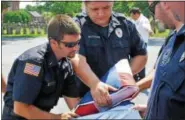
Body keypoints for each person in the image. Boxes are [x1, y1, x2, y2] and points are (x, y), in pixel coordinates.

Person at [2, 14, 116, 120]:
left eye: (78, 42)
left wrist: (102, 110)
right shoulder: (33, 63)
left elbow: (74, 103)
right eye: (70, 45)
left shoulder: (66, 63)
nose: (76, 48)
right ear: (54, 43)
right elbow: (21, 108)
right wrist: (57, 117)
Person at [73, 1, 147, 119]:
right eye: (95, 9)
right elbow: (76, 58)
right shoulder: (77, 26)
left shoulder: (126, 24)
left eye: (106, 7)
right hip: (88, 98)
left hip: (119, 97)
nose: (101, 13)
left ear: (112, 3)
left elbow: (141, 54)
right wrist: (95, 84)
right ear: (85, 6)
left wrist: (123, 76)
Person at [134, 1, 185, 119]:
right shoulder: (172, 38)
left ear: (165, 3)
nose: (155, 16)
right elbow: (159, 73)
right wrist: (152, 108)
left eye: (152, 8)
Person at [130, 7, 153, 81]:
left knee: (140, 59)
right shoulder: (134, 20)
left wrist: (149, 31)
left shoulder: (144, 20)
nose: (131, 17)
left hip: (141, 44)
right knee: (133, 59)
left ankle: (142, 77)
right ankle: (135, 76)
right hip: (133, 44)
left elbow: (147, 27)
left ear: (136, 14)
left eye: (132, 15)